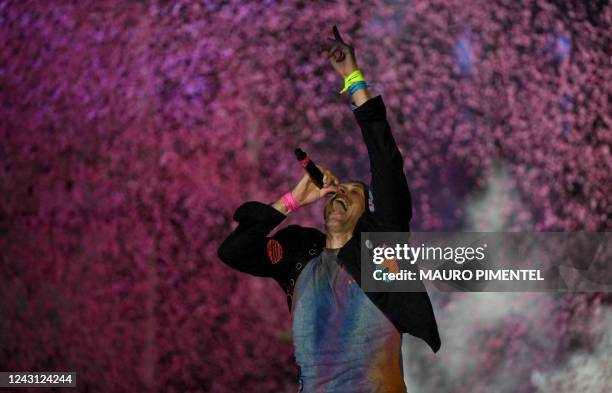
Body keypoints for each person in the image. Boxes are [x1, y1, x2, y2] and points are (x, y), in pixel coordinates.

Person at [217, 25, 440, 393]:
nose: (342, 192)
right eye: (339, 189)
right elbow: (233, 251)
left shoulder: (379, 250)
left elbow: (386, 164)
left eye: (355, 192)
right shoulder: (299, 257)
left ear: (369, 212)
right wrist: (292, 200)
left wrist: (353, 79)